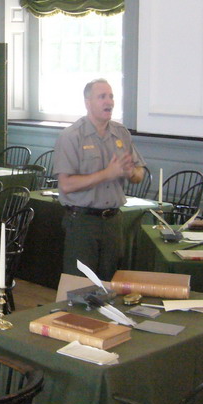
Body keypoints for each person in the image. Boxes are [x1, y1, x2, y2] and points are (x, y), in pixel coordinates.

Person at [52, 78, 146, 279]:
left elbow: (139, 173)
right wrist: (107, 174)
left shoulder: (121, 134)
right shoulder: (71, 136)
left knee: (111, 284)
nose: (109, 102)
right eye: (102, 97)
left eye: (111, 96)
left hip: (113, 221)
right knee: (79, 287)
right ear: (88, 102)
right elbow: (66, 185)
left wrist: (130, 172)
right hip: (82, 222)